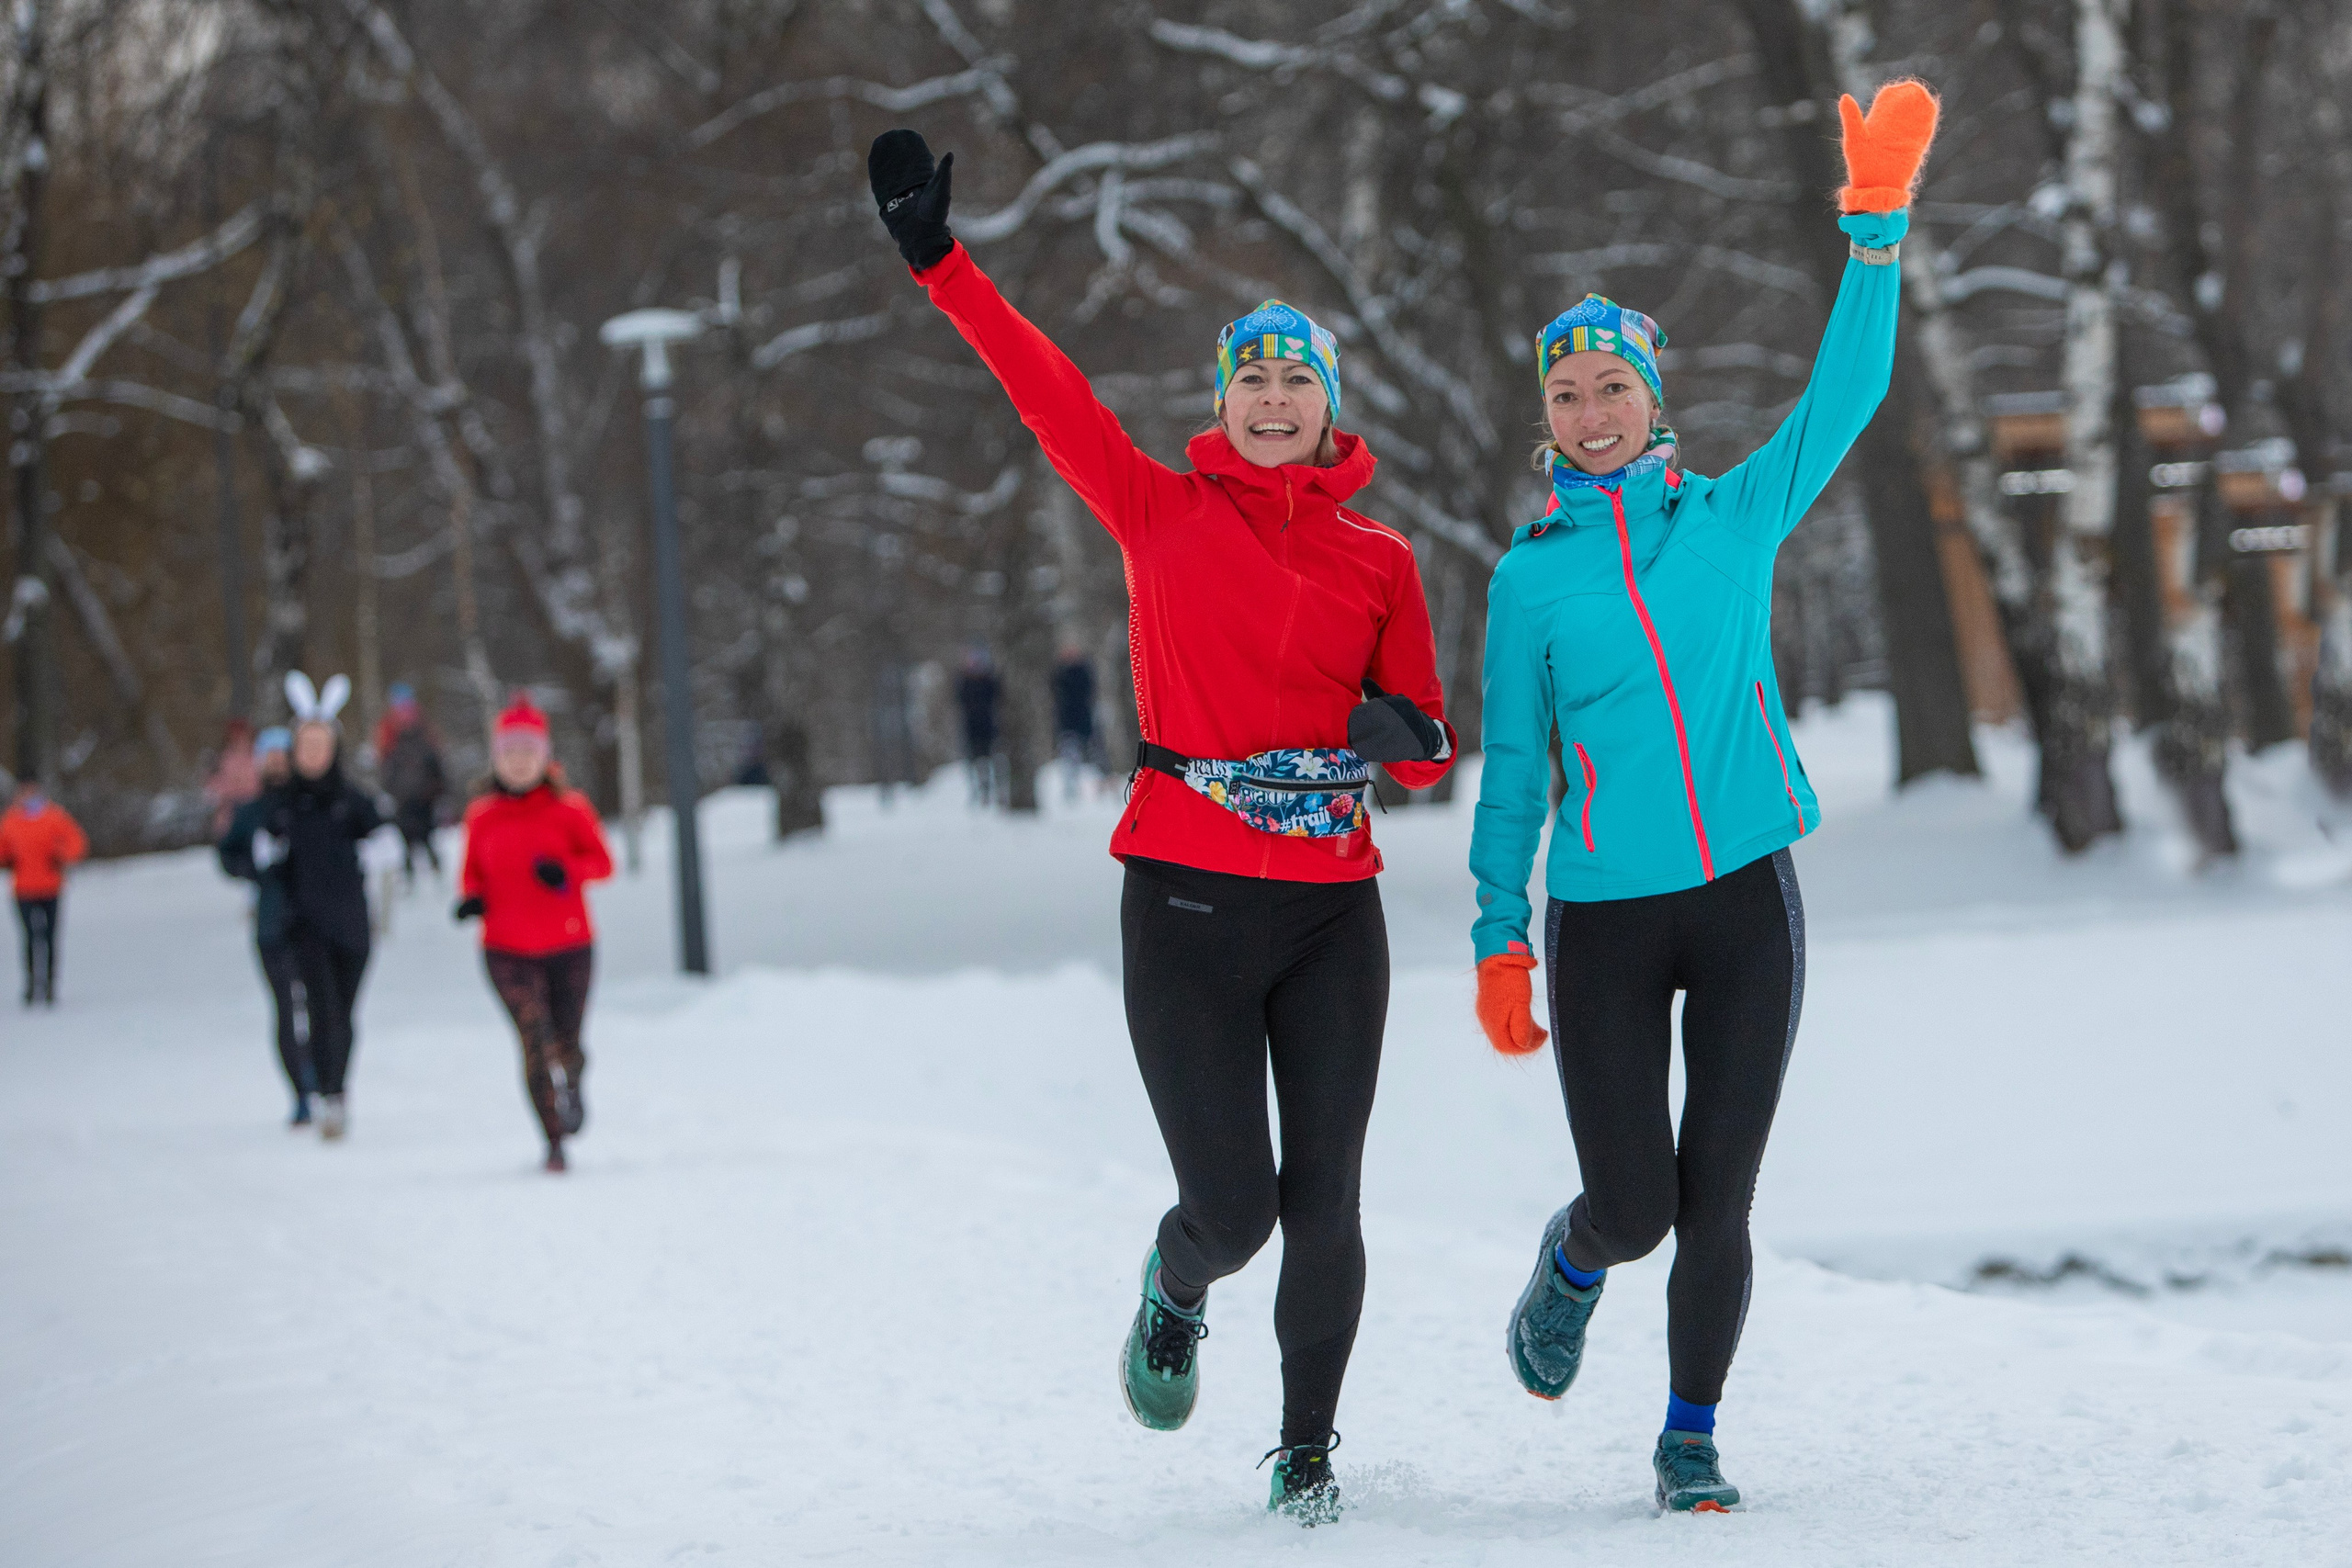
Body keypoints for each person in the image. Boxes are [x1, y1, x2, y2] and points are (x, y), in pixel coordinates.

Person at [868, 127, 1458, 1522]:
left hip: (1330, 903)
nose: (1268, 397)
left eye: (1291, 380)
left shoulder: (1380, 557)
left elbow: (1428, 732)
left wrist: (1405, 737)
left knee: (1328, 1200)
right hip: (1186, 897)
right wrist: (939, 260)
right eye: (1248, 378)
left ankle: (1306, 1451)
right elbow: (1043, 387)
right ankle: (1176, 1280)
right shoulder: (1158, 509)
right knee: (1239, 1210)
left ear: (1327, 409)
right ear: (1224, 400)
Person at [1467, 83, 1941, 1515]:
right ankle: (1573, 1257)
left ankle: (1689, 1433)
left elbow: (1848, 394)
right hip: (1605, 916)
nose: (1592, 411)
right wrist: (1501, 933)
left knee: (1719, 1198)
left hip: (1745, 898)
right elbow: (1509, 767)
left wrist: (1876, 235)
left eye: (1613, 386)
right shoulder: (1528, 580)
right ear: (1546, 412)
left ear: (1653, 399)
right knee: (1637, 1200)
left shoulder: (1733, 516)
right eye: (1567, 391)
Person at [455, 695, 614, 1174]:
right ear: (496, 758)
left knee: (566, 1039)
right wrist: (472, 899)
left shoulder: (570, 809)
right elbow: (471, 873)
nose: (518, 762)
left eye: (528, 752)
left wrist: (564, 872)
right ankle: (553, 1139)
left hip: (570, 946)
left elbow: (603, 864)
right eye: (509, 753)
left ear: (544, 757)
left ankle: (575, 1079)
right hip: (506, 949)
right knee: (534, 1036)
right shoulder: (482, 814)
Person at [256, 671, 381, 1141]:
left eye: (320, 743)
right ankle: (325, 1092)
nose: (312, 753)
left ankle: (338, 1086)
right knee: (321, 1006)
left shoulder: (352, 802)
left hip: (351, 923)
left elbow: (383, 836)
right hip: (303, 925)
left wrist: (382, 851)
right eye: (304, 744)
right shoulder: (280, 806)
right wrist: (264, 859)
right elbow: (257, 856)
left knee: (345, 1012)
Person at [219, 728, 314, 1125]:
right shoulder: (250, 812)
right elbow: (227, 856)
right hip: (272, 927)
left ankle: (321, 1077)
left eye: (282, 755)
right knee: (286, 1009)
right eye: (268, 756)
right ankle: (300, 1090)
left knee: (318, 1005)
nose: (276, 763)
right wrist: (254, 867)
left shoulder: (310, 804)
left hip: (312, 924)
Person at [0, 779, 88, 1007]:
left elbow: (76, 842)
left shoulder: (54, 817)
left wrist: (63, 856)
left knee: (49, 936)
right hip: (24, 890)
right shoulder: (11, 821)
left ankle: (49, 985)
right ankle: (30, 985)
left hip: (51, 887)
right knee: (30, 937)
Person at [375, 682, 447, 885]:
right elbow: (384, 765)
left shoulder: (425, 732)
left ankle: (435, 869)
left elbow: (437, 762)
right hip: (402, 797)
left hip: (425, 795)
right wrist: (390, 790)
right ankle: (409, 874)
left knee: (427, 835)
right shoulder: (388, 734)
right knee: (405, 837)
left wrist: (440, 789)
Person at [1050, 644, 1099, 803]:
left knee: (1091, 753)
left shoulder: (1084, 672)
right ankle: (1071, 785)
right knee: (1070, 752)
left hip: (1082, 720)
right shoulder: (1060, 673)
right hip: (1067, 722)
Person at [956, 647, 1002, 807]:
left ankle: (990, 789)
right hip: (971, 727)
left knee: (990, 758)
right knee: (973, 760)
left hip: (988, 726)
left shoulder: (989, 681)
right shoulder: (964, 682)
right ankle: (977, 790)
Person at [204, 718, 261, 839]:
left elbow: (259, 785)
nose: (238, 738)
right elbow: (212, 790)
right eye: (234, 734)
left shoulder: (259, 755)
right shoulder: (222, 758)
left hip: (255, 815)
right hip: (229, 819)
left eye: (241, 734)